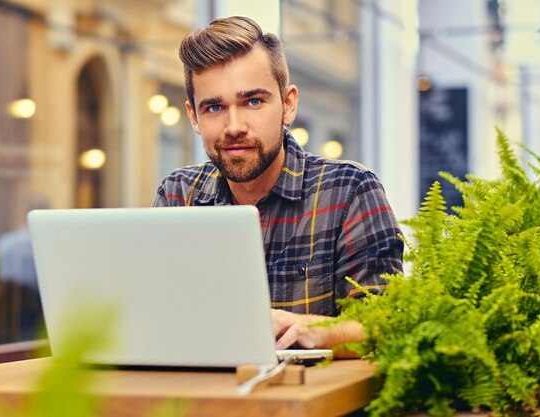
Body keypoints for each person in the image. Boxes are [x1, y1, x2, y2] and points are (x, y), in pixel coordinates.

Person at [154, 16, 403, 356]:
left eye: (253, 102)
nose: (234, 126)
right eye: (214, 107)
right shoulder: (177, 193)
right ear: (194, 117)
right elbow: (159, 318)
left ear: (288, 104)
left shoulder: (349, 190)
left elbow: (388, 326)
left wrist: (317, 330)